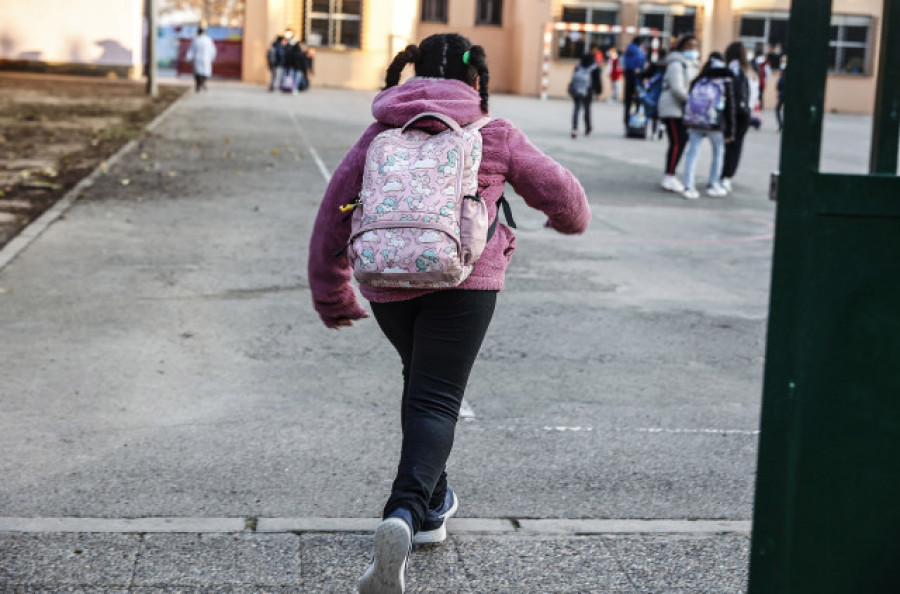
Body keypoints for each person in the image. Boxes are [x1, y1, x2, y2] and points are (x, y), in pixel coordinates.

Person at [307, 33, 591, 594]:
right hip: (464, 281)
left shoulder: (379, 133)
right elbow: (565, 195)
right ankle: (404, 514)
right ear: (476, 79)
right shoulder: (495, 133)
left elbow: (331, 219)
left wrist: (332, 294)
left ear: (408, 74)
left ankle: (433, 506)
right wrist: (564, 222)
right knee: (437, 398)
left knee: (423, 387)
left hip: (387, 283)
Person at [681, 52, 737, 199]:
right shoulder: (725, 79)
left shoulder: (700, 78)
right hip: (715, 123)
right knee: (718, 152)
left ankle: (688, 186)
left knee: (692, 153)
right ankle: (713, 184)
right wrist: (731, 130)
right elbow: (730, 107)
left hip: (695, 122)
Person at [658, 34, 700, 193]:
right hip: (672, 108)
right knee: (677, 141)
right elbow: (677, 89)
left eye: (695, 46)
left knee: (680, 141)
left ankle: (671, 174)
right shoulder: (676, 64)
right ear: (682, 47)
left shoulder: (690, 64)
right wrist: (692, 101)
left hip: (680, 108)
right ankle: (669, 176)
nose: (693, 50)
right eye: (689, 46)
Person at [720, 41, 757, 192]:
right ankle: (727, 177)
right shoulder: (750, 72)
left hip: (729, 112)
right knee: (736, 146)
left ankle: (721, 174)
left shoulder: (729, 69)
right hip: (744, 113)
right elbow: (754, 96)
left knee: (725, 145)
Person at [569, 53, 602, 138]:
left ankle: (574, 129)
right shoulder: (594, 68)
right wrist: (598, 92)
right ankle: (587, 128)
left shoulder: (578, 65)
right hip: (588, 91)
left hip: (577, 90)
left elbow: (573, 77)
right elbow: (597, 81)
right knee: (587, 110)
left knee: (576, 109)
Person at [641, 47, 668, 140]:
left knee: (653, 113)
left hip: (654, 91)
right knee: (662, 114)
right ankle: (661, 130)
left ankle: (652, 132)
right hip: (665, 92)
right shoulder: (668, 65)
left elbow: (646, 74)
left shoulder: (655, 64)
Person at [622, 36, 647, 130]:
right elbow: (641, 61)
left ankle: (626, 120)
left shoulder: (629, 49)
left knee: (628, 102)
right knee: (638, 101)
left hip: (629, 77)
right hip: (636, 79)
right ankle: (636, 122)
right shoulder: (638, 51)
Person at [186, 27, 216, 92]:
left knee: (202, 72)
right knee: (201, 72)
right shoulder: (200, 40)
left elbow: (212, 49)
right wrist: (188, 57)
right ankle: (200, 84)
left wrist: (212, 57)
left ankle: (200, 83)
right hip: (201, 58)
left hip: (202, 58)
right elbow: (192, 49)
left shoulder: (204, 40)